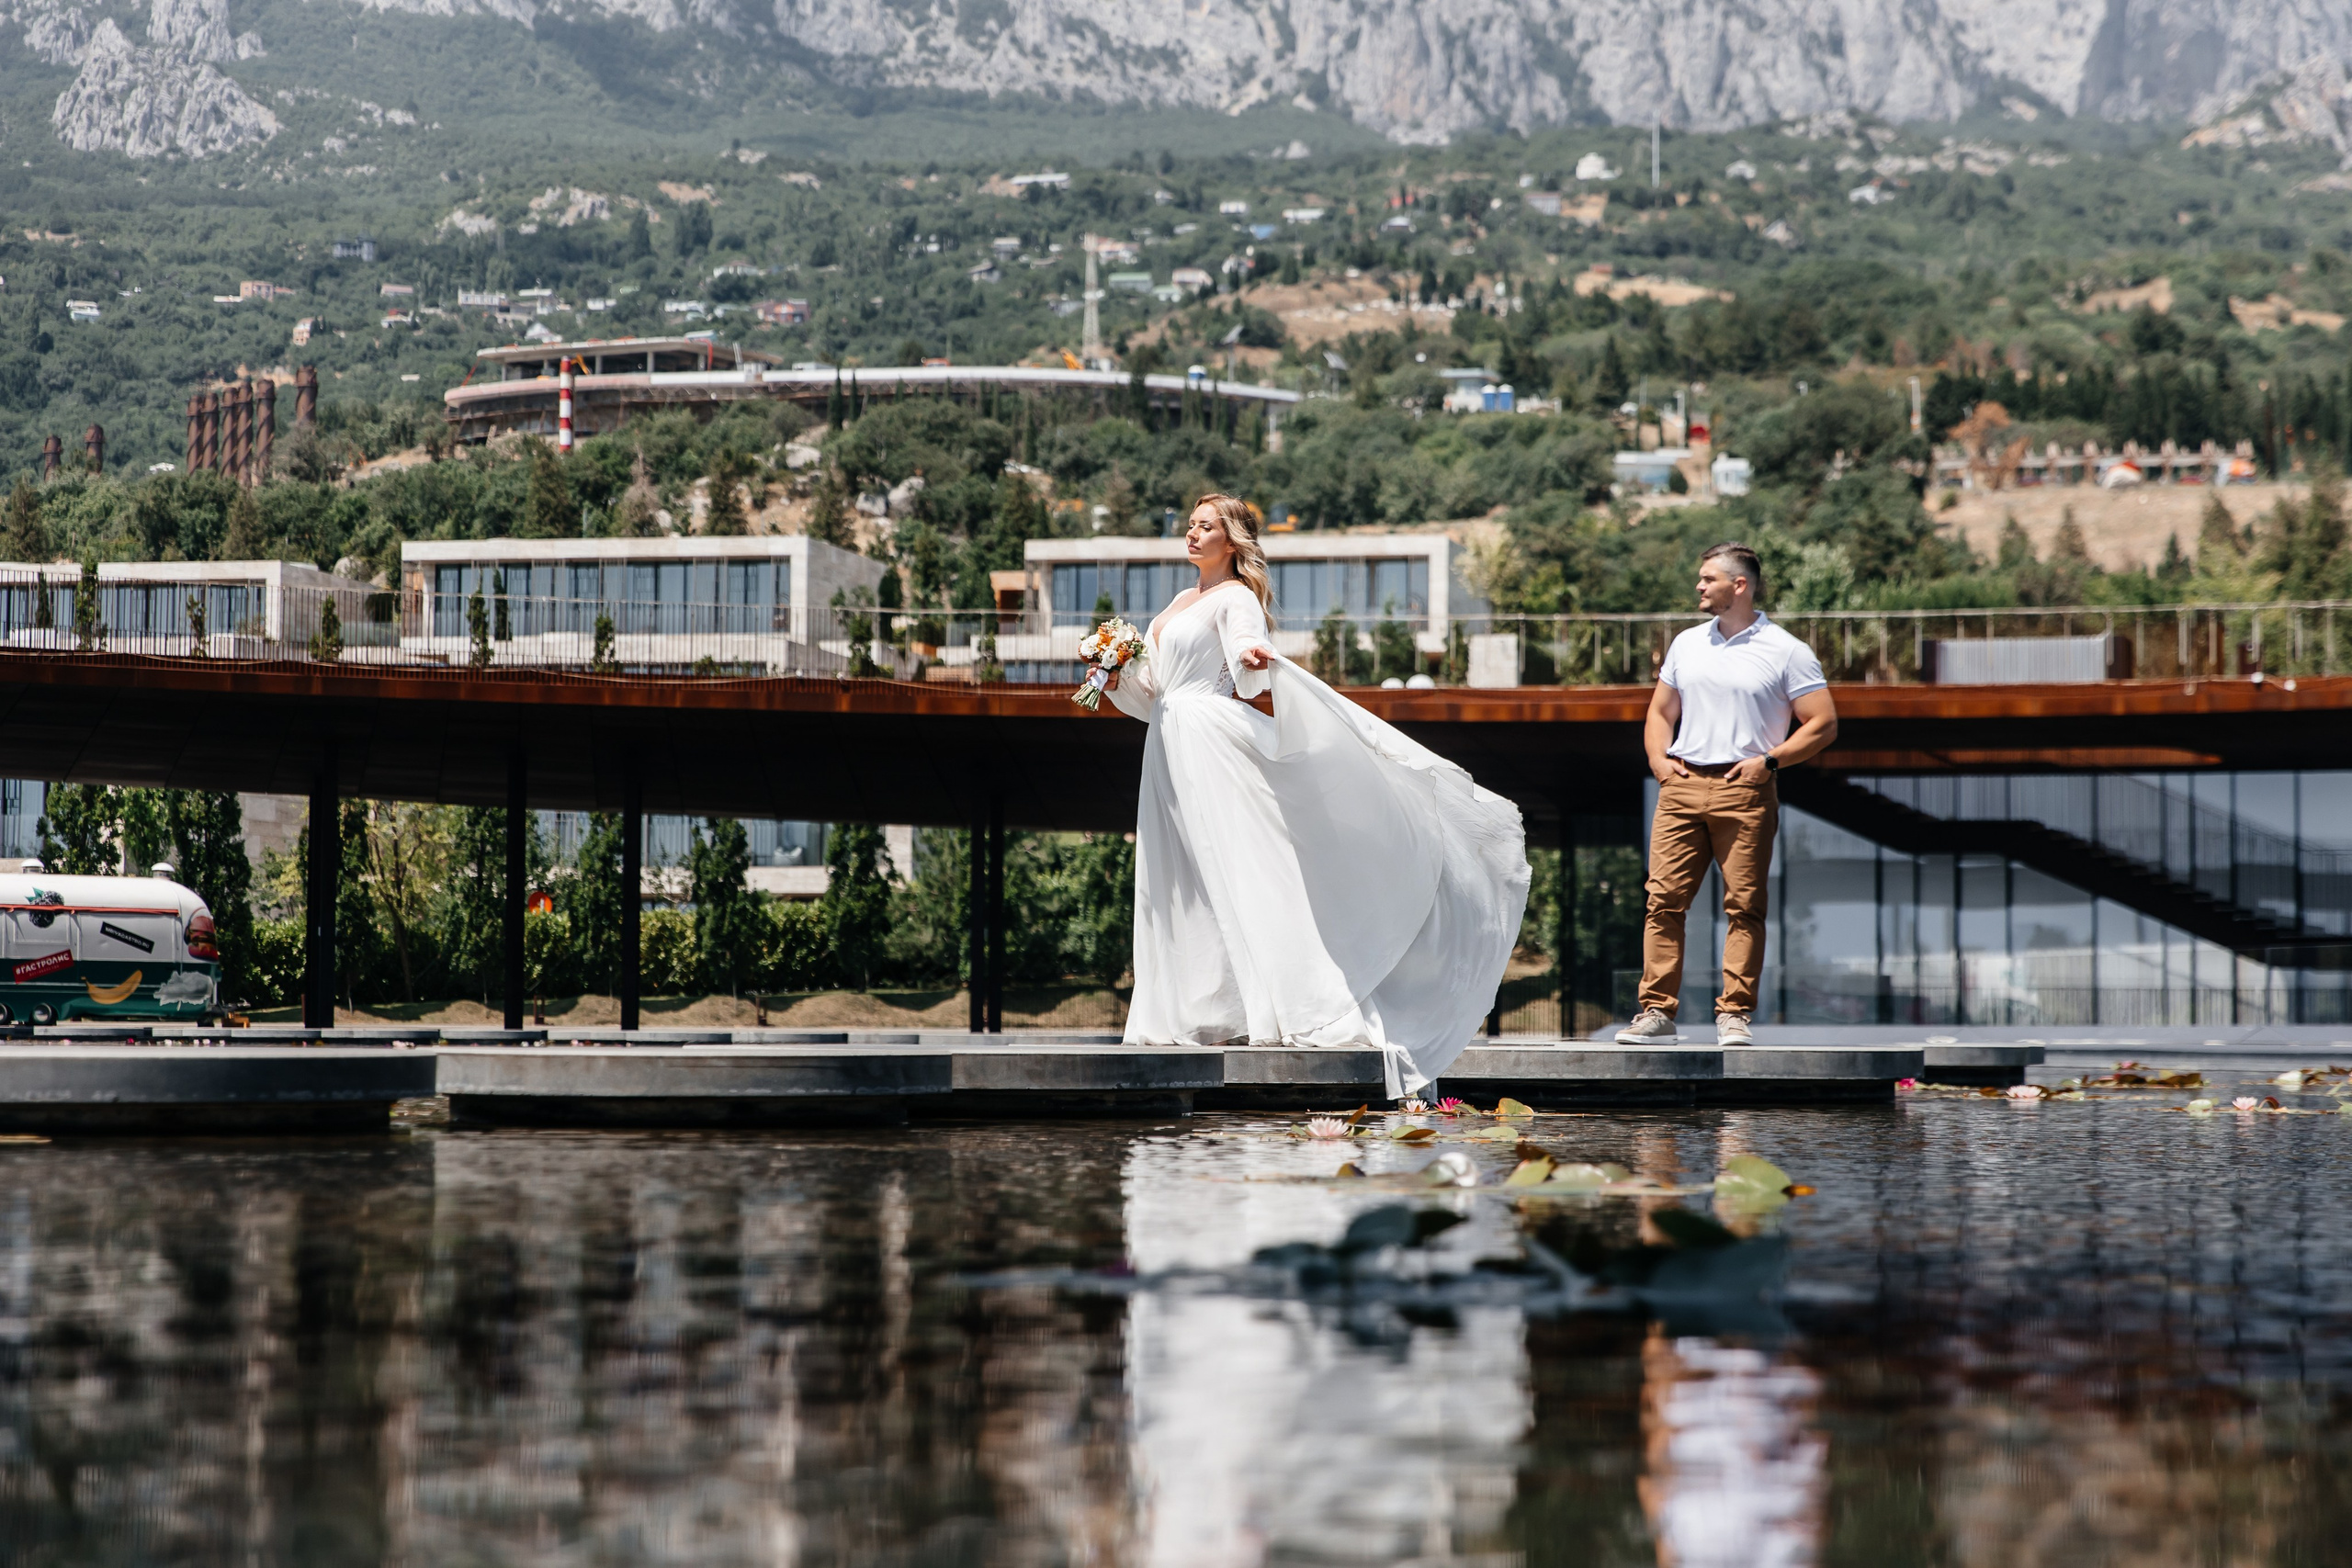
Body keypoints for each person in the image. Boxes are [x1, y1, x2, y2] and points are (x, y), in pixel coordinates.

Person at [1102, 493, 1529, 1099]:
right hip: (1168, 748)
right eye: (1190, 525)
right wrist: (1113, 670)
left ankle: (1262, 1006)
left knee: (1233, 871)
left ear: (1233, 541)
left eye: (1206, 526)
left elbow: (1248, 661)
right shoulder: (1175, 605)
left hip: (1212, 744)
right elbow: (1153, 694)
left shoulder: (1236, 597)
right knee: (1177, 878)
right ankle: (1193, 1012)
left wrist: (1254, 657)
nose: (1192, 534)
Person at [1617, 543, 1838, 1047]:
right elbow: (1660, 712)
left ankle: (1734, 1016)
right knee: (1663, 903)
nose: (1699, 586)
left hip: (1746, 790)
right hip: (1681, 786)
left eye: (1707, 578)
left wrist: (1770, 761)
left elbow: (1823, 723)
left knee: (1744, 907)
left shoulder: (1787, 650)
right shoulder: (1686, 644)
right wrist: (1658, 762)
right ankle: (1656, 1012)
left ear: (1739, 585)